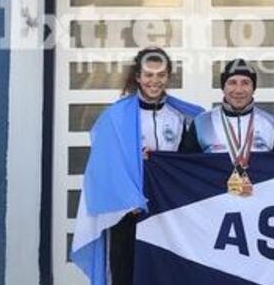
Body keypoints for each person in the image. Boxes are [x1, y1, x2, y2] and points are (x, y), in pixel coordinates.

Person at [71, 47, 204, 285]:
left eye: (161, 75)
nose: (155, 81)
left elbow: (187, 163)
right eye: (149, 75)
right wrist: (127, 196)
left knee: (165, 272)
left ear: (168, 77)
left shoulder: (180, 117)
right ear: (138, 77)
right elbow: (104, 166)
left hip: (166, 210)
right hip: (127, 212)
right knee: (126, 274)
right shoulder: (116, 116)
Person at [191, 58, 274, 195]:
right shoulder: (202, 123)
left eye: (246, 83)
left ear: (253, 88)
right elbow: (186, 167)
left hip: (260, 201)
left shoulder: (270, 123)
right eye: (232, 83)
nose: (239, 90)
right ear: (223, 87)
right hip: (213, 202)